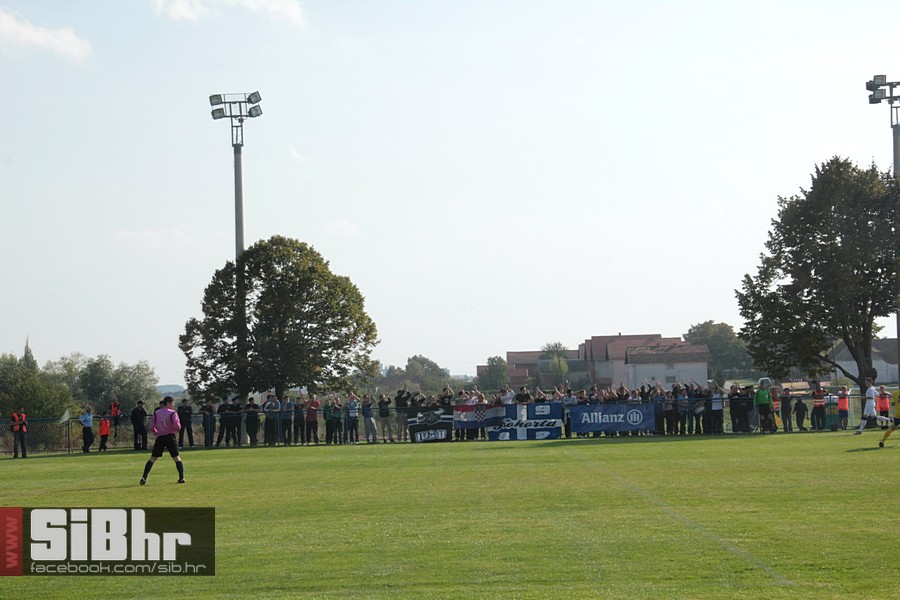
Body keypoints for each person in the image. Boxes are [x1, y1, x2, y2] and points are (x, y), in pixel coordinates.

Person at [140, 396, 185, 485]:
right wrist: (174, 430)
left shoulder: (157, 413)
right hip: (170, 437)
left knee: (153, 458)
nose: (173, 405)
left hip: (160, 437)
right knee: (176, 457)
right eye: (172, 403)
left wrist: (157, 432)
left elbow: (152, 427)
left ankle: (144, 477)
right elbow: (177, 426)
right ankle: (181, 478)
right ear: (168, 403)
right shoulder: (173, 413)